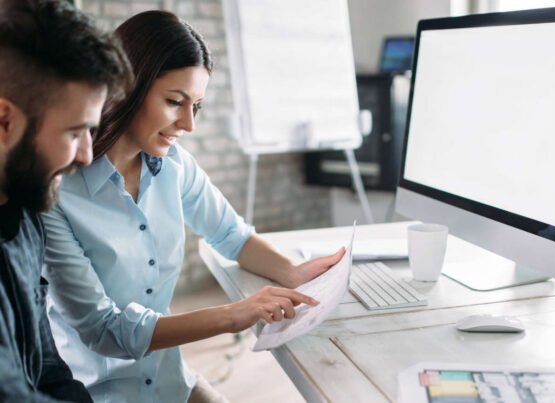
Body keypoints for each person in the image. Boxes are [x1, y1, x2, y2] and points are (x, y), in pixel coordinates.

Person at [42, 10, 344, 403]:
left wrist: (292, 270)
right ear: (124, 88)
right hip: (98, 393)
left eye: (196, 106)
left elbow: (232, 236)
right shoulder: (57, 193)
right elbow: (104, 330)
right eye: (174, 102)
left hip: (168, 379)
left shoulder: (174, 166)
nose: (188, 124)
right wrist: (235, 314)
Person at [0, 0, 131, 401]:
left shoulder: (25, 214)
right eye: (75, 133)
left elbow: (46, 367)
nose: (87, 155)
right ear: (4, 121)